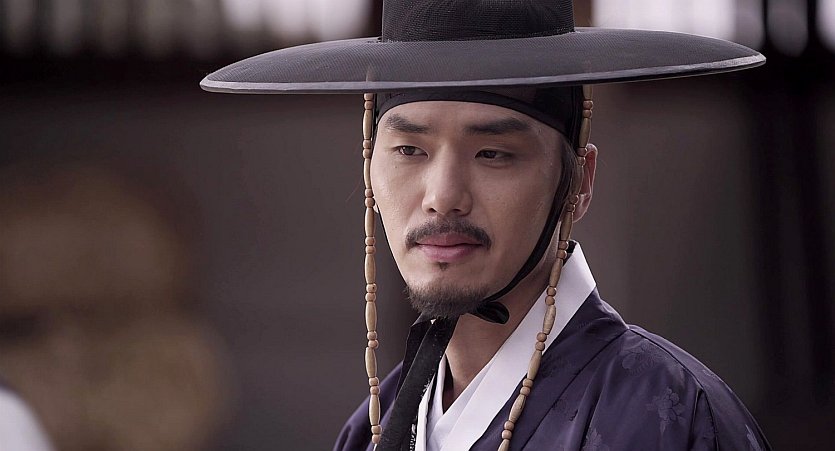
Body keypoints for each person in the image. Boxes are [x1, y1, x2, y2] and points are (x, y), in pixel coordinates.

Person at [201, 1, 771, 449]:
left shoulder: (667, 416)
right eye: (410, 150)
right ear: (370, 167)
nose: (443, 198)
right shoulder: (377, 428)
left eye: (493, 153)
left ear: (578, 181)